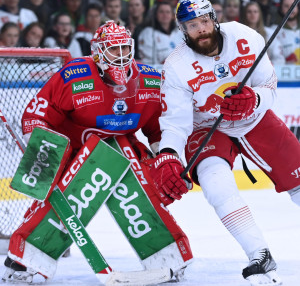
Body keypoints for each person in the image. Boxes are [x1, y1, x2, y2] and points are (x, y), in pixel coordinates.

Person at [2, 20, 193, 284]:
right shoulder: (75, 75)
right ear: (97, 52)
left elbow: (160, 127)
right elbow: (37, 113)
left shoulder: (149, 80)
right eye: (114, 49)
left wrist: (166, 157)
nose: (122, 55)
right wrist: (41, 149)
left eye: (125, 47)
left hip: (121, 148)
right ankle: (28, 257)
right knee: (66, 197)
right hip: (72, 151)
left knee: (137, 178)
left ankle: (166, 254)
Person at [150, 0, 300, 286]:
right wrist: (169, 155)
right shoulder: (177, 65)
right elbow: (175, 124)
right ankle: (259, 254)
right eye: (192, 26)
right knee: (215, 183)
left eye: (204, 21)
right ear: (183, 30)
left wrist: (253, 99)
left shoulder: (245, 36)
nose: (201, 30)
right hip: (207, 128)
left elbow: (268, 86)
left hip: (253, 118)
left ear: (214, 19)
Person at [274, 0, 300, 64]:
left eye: (293, 5)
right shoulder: (273, 31)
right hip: (285, 72)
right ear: (281, 8)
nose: (290, 8)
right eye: (286, 6)